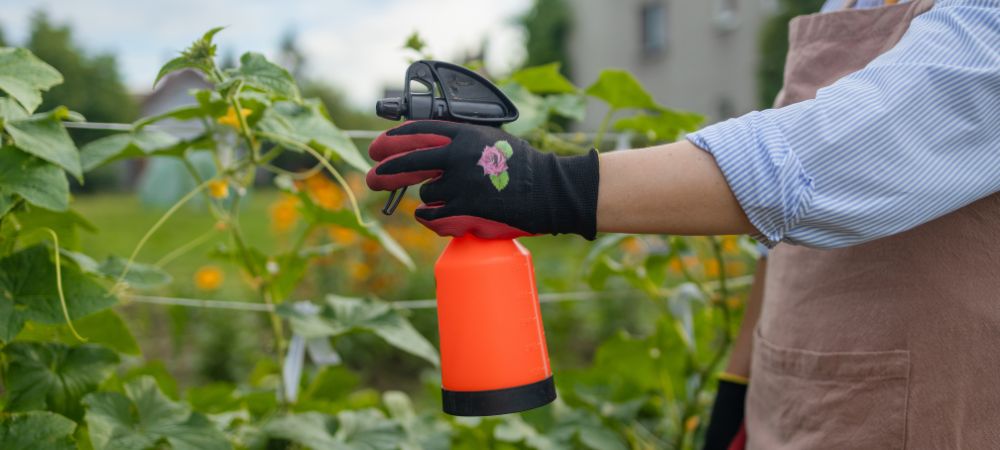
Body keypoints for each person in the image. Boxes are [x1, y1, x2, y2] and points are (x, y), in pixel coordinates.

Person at [366, 0, 1000, 447]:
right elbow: (778, 242)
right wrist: (737, 386)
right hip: (792, 400)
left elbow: (834, 157)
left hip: (932, 414)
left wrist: (547, 185)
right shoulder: (850, 2)